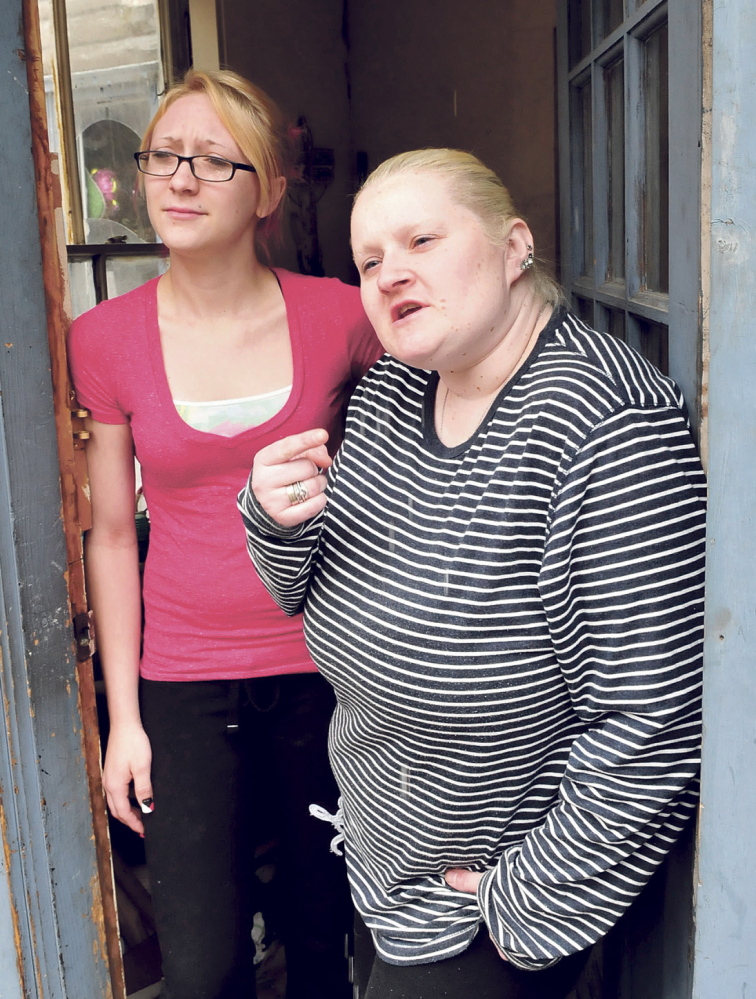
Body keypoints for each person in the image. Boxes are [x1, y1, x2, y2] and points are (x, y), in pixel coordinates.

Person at [238, 148, 707, 999]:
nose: (390, 275)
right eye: (370, 260)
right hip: (383, 862)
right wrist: (272, 520)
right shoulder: (390, 395)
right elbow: (299, 591)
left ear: (514, 245)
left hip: (486, 907)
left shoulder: (607, 425)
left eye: (422, 239)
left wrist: (519, 904)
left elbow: (653, 717)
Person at [67, 69, 380, 999]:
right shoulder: (105, 337)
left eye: (213, 158)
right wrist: (123, 718)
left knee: (325, 938)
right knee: (203, 966)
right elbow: (113, 534)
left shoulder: (340, 315)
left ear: (271, 191)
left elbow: (415, 459)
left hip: (327, 668)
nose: (179, 178)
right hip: (183, 681)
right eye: (164, 155)